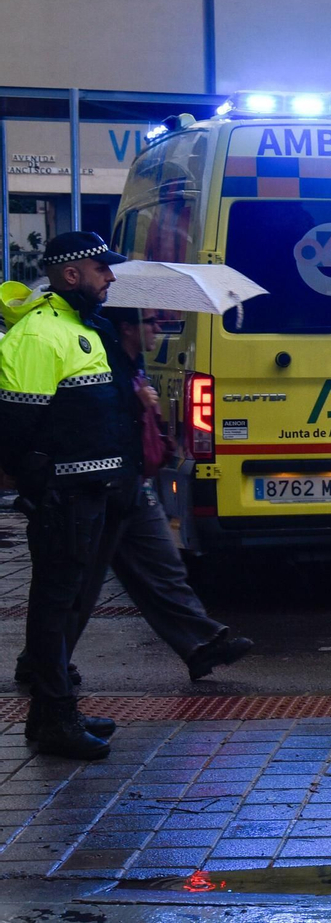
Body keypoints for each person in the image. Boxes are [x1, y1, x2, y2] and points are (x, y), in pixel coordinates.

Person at [12, 306, 254, 688]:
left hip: (134, 484)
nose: (159, 328)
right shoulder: (101, 359)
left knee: (163, 568)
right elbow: (92, 419)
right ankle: (42, 664)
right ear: (127, 328)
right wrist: (134, 401)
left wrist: (150, 410)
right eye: (151, 323)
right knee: (80, 585)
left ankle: (201, 644)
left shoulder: (133, 362)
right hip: (101, 487)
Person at [0, 232, 135, 760]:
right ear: (71, 274)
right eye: (102, 269)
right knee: (54, 605)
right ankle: (55, 717)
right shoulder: (38, 334)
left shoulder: (82, 327)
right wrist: (37, 484)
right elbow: (14, 425)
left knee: (68, 599)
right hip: (63, 496)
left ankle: (50, 715)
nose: (110, 278)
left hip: (90, 490)